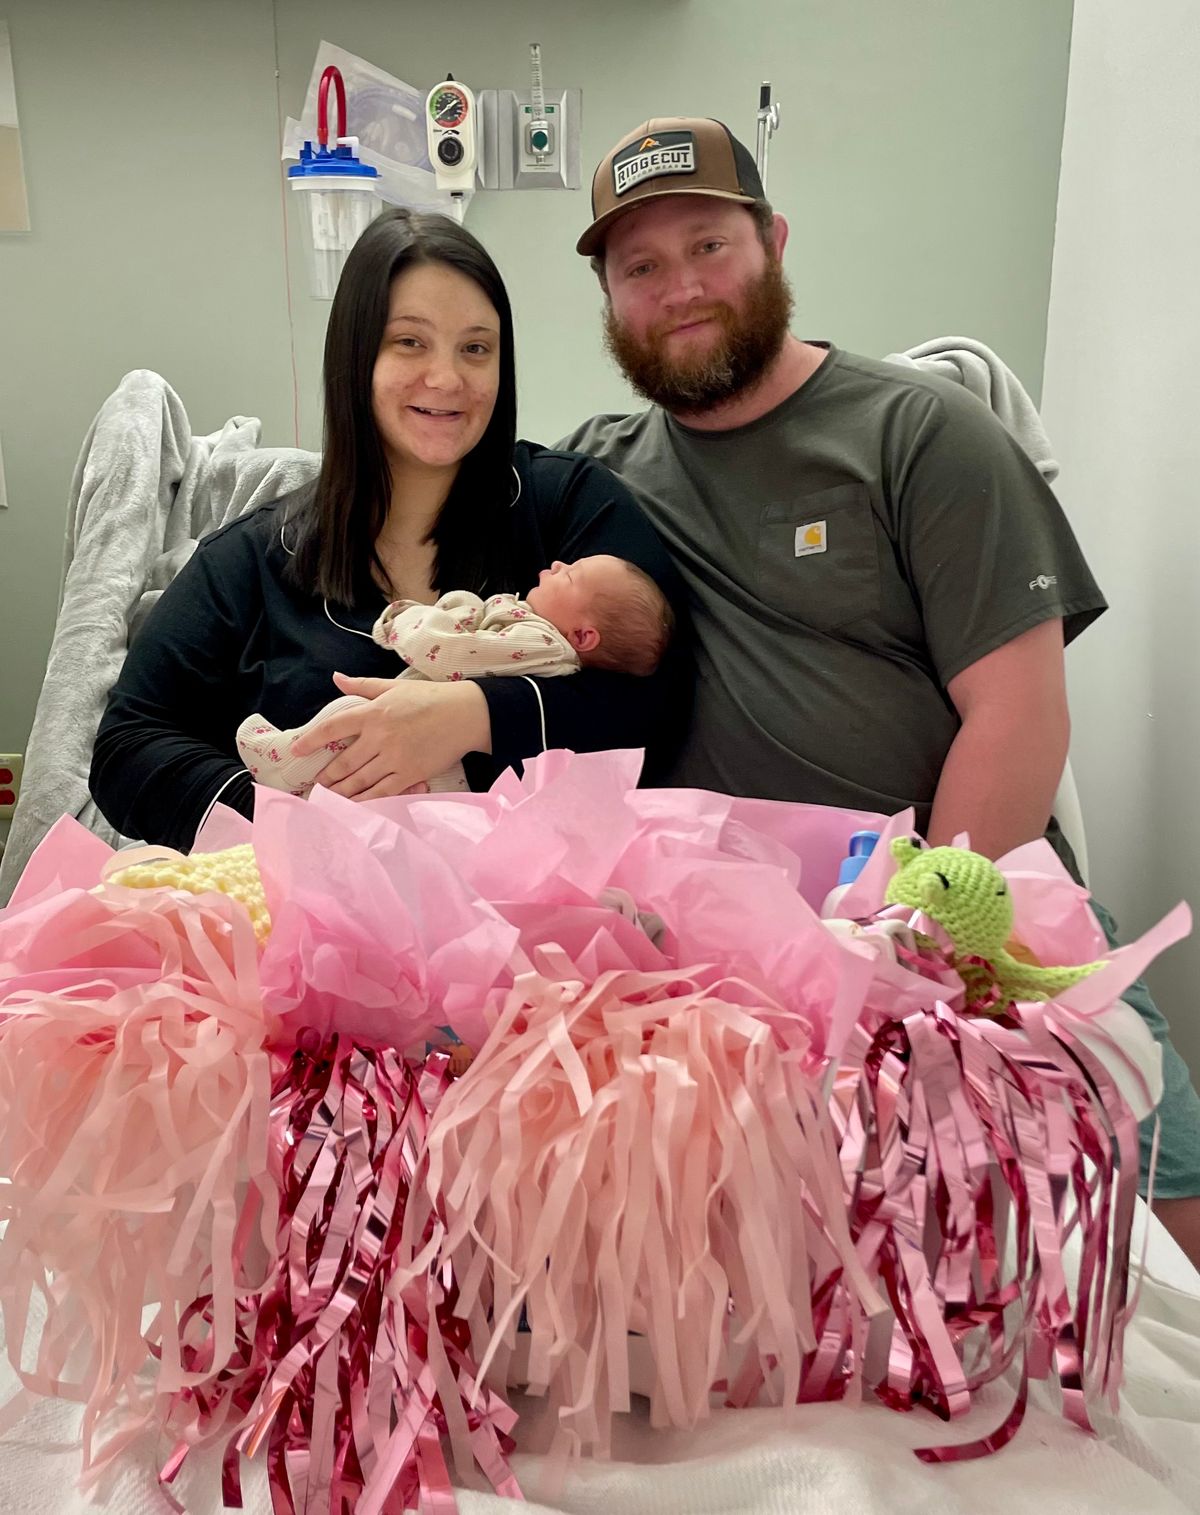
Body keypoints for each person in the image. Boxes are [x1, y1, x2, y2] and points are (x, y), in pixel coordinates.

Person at [559, 115, 1200, 1263]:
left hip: (965, 905)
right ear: (609, 301)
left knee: (1165, 1189)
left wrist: (916, 943)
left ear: (774, 242)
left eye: (709, 246)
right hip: (721, 954)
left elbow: (1020, 711)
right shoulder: (599, 479)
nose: (680, 288)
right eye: (639, 268)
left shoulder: (919, 435)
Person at [90, 209, 686, 853]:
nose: (447, 378)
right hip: (319, 918)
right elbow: (129, 746)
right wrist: (299, 827)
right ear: (356, 354)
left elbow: (662, 701)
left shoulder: (565, 505)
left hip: (530, 926)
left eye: (476, 348)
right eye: (409, 341)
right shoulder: (257, 558)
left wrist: (473, 717)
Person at [237, 554, 674, 797]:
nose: (557, 565)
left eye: (571, 575)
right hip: (438, 764)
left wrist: (402, 619)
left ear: (583, 635)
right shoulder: (529, 634)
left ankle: (279, 764)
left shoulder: (540, 644)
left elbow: (446, 653)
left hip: (445, 771)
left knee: (350, 715)